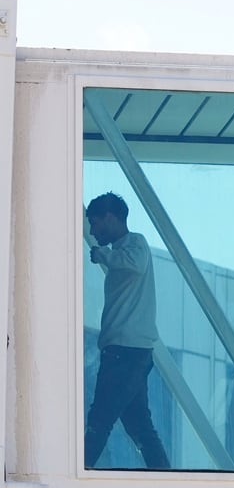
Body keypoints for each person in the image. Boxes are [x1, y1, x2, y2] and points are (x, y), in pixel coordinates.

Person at [84, 192, 170, 469]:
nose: (93, 232)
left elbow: (134, 264)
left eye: (95, 223)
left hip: (126, 350)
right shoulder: (123, 250)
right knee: (139, 425)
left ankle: (79, 472)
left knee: (100, 420)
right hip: (126, 349)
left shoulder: (135, 244)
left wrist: (103, 255)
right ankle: (163, 476)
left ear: (111, 217)